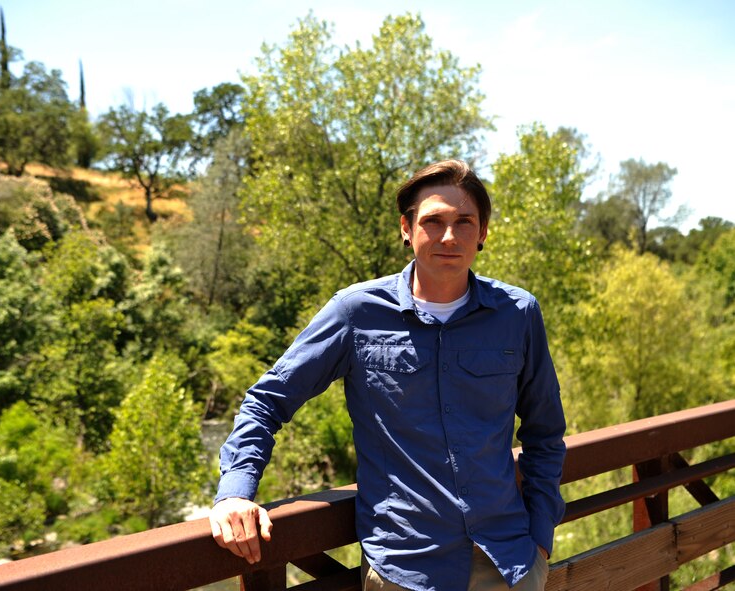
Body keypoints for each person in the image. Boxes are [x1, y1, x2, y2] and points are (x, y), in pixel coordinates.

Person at [209, 159, 566, 591]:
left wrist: (540, 540)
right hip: (404, 568)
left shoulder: (517, 313)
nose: (449, 236)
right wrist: (235, 492)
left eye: (464, 222)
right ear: (406, 227)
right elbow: (267, 401)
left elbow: (545, 434)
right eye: (433, 221)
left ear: (483, 232)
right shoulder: (356, 312)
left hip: (508, 561)